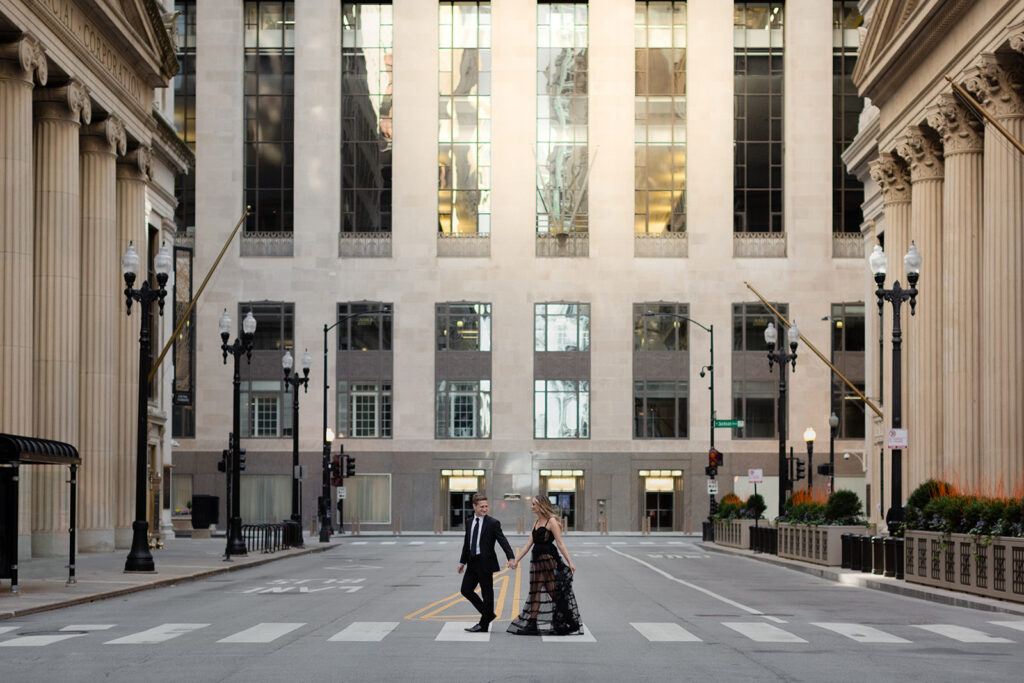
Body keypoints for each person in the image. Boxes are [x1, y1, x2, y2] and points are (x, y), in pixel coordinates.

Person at [507, 497, 582, 636]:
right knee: (543, 591)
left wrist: (570, 561)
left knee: (541, 591)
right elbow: (528, 544)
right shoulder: (536, 522)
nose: (531, 506)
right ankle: (540, 622)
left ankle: (541, 622)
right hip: (536, 561)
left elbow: (560, 543)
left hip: (548, 561)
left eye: (534, 504)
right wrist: (515, 560)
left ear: (541, 506)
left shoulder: (551, 521)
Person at [457, 493, 515, 633]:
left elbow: (503, 541)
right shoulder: (469, 522)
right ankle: (488, 614)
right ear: (474, 506)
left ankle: (484, 624)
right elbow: (467, 543)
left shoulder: (492, 523)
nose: (485, 509)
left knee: (487, 594)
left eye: (486, 506)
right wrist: (462, 562)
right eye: (481, 506)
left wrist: (511, 557)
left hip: (486, 563)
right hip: (472, 562)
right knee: (466, 590)